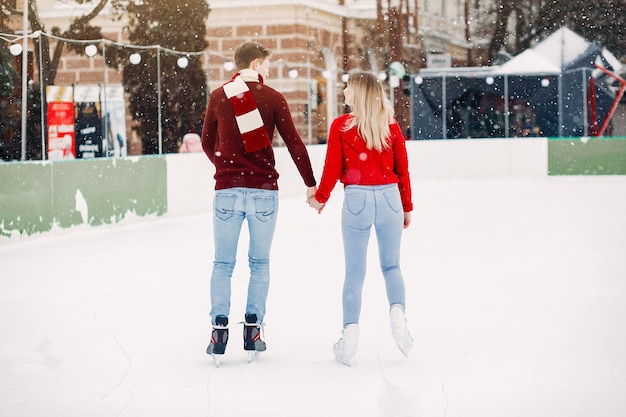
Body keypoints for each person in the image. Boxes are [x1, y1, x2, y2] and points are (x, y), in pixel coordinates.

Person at [202, 41, 317, 363]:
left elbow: (207, 142)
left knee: (223, 264)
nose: (268, 71)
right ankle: (253, 328)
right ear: (255, 63)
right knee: (259, 263)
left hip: (226, 190)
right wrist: (311, 183)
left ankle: (218, 328)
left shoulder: (219, 96)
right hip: (264, 191)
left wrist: (227, 170)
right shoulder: (274, 98)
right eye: (266, 65)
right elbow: (295, 144)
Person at [307, 71, 413, 366]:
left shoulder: (341, 126)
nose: (343, 91)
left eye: (347, 87)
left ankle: (350, 337)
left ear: (358, 93)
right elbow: (402, 170)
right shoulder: (389, 126)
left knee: (355, 272)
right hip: (390, 197)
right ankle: (398, 318)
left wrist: (321, 198)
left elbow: (332, 168)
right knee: (392, 266)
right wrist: (406, 207)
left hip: (357, 199)